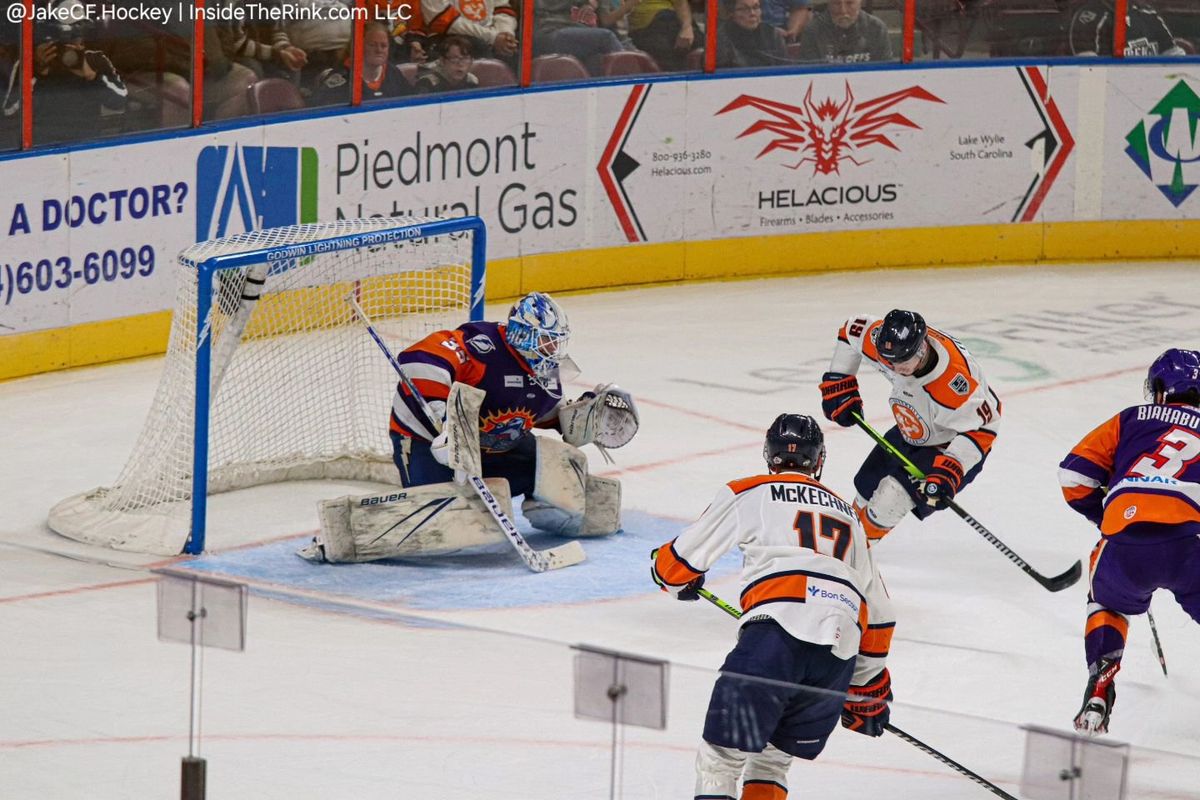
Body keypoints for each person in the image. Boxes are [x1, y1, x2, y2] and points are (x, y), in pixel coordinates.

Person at [652, 414, 895, 799]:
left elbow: (676, 567)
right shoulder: (851, 517)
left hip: (774, 639)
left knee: (721, 759)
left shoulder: (751, 490)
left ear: (769, 455)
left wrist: (667, 572)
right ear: (819, 460)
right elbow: (879, 616)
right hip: (838, 654)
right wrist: (865, 687)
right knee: (772, 761)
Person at [1058, 348, 1200, 735]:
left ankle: (1099, 685)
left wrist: (1105, 516)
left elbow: (1073, 477)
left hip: (1124, 541)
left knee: (1105, 602)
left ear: (1158, 390)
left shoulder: (1131, 418)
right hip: (1191, 544)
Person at [819, 310, 1000, 543]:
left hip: (952, 444)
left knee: (892, 497)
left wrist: (950, 470)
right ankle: (851, 542)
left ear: (922, 347)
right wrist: (840, 380)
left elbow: (984, 429)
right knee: (867, 485)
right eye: (889, 361)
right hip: (912, 427)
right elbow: (852, 329)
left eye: (902, 362)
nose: (895, 368)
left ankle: (853, 553)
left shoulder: (956, 383)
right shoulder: (888, 346)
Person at [311, 21, 412, 105]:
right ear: (358, 46)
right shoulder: (341, 79)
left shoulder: (393, 73)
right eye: (372, 45)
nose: (379, 50)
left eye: (384, 46)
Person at [533, 0, 628, 75]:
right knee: (605, 37)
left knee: (595, 59)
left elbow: (582, 3)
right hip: (546, 31)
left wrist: (587, 6)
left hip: (562, 28)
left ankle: (600, 96)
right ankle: (629, 84)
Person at [1069, 0, 1185, 57]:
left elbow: (1173, 53)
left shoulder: (1147, 12)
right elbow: (1087, 68)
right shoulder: (1090, 17)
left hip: (1153, 89)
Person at [795, 0, 892, 64]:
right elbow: (809, 76)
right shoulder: (813, 31)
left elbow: (885, 73)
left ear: (860, 2)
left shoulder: (877, 28)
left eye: (850, 3)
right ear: (829, 3)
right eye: (836, 3)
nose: (843, 10)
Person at [421, 0, 521, 60]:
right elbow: (441, 20)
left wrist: (506, 35)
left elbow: (503, 10)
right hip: (447, 37)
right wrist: (493, 38)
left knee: (520, 52)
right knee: (480, 47)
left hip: (492, 36)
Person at [627, 0, 701, 71]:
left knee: (703, 45)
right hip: (646, 28)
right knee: (667, 53)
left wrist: (686, 27)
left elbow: (681, 3)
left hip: (672, 19)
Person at [715, 0, 790, 68]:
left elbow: (785, 68)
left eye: (756, 7)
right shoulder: (721, 39)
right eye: (743, 9)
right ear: (731, 13)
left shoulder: (772, 34)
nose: (752, 13)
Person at [413, 35, 481, 93]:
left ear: (472, 61)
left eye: (465, 58)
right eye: (454, 59)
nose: (460, 64)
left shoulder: (472, 81)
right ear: (442, 61)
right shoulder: (427, 82)